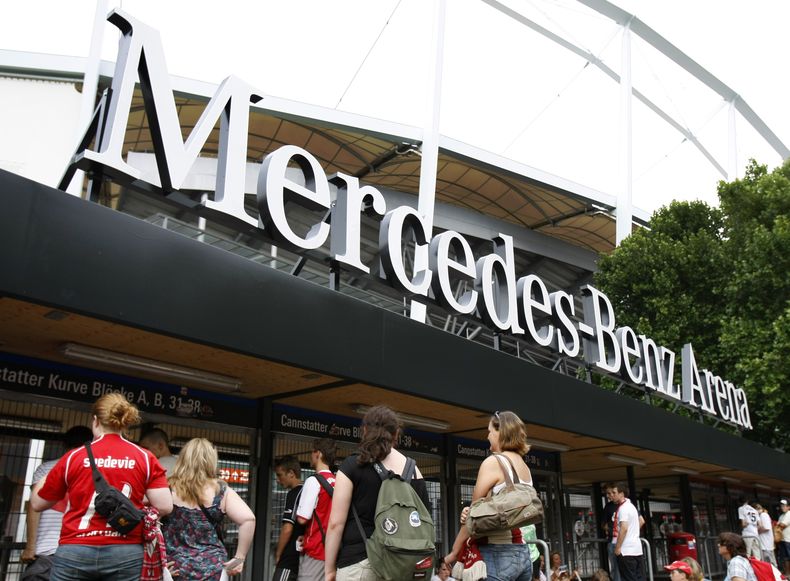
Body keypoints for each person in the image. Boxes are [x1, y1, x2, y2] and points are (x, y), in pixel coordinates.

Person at [31, 393, 173, 581]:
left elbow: (37, 503)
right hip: (125, 551)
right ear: (125, 423)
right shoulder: (145, 458)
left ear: (95, 421)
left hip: (75, 549)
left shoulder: (74, 456)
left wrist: (55, 469)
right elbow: (165, 506)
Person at [323, 405, 431, 581]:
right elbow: (425, 522)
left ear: (365, 430)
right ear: (396, 434)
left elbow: (336, 523)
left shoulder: (351, 466)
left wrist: (329, 569)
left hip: (360, 563)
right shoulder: (413, 471)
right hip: (402, 566)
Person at [445, 410, 533, 581]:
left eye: (490, 431)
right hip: (522, 553)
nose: (487, 436)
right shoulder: (524, 466)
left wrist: (454, 552)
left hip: (497, 553)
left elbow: (474, 516)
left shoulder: (493, 462)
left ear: (501, 432)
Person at [163, 438, 255, 580]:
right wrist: (239, 558)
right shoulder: (221, 490)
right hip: (213, 569)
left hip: (175, 567)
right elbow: (248, 519)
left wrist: (159, 563)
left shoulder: (167, 487)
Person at [21, 425, 93, 581]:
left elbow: (34, 507)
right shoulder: (97, 474)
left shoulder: (46, 469)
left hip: (45, 552)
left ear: (64, 445)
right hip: (81, 552)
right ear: (90, 446)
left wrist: (30, 547)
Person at [295, 437, 337, 581]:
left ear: (318, 453)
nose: (310, 456)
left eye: (312, 452)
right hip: (334, 549)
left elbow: (302, 518)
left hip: (316, 549)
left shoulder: (313, 481)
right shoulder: (336, 481)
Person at [273, 455, 304, 581]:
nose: (278, 480)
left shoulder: (294, 493)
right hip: (305, 555)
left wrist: (279, 553)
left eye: (280, 475)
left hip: (291, 556)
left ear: (291, 473)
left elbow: (287, 528)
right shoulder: (308, 491)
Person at [610, 482, 645, 581]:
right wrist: (632, 532)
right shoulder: (631, 507)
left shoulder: (623, 509)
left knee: (628, 577)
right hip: (637, 549)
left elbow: (624, 528)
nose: (612, 495)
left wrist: (618, 547)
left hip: (626, 550)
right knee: (639, 577)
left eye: (614, 493)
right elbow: (641, 521)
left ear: (621, 494)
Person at [779, 499, 790, 575]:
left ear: (788, 507)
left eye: (784, 506)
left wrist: (777, 525)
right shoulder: (782, 515)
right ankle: (787, 573)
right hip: (783, 539)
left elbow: (782, 525)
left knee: (788, 557)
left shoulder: (789, 514)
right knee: (785, 558)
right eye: (781, 506)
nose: (782, 507)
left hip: (788, 540)